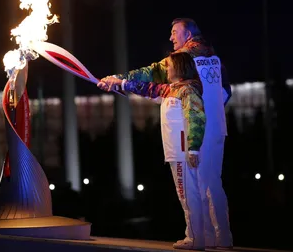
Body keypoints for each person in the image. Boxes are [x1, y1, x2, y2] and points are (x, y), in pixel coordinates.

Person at [99, 18, 232, 249]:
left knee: (191, 186)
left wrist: (120, 79)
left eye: (174, 32)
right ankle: (220, 237)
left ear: (188, 34)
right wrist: (120, 84)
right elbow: (225, 92)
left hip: (190, 133)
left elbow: (151, 75)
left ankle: (197, 237)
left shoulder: (183, 60)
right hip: (215, 128)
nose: (171, 37)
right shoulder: (214, 59)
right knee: (212, 184)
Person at [99, 52, 206, 250]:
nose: (167, 68)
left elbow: (196, 118)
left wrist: (193, 149)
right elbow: (146, 87)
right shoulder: (171, 90)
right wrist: (117, 82)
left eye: (170, 65)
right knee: (185, 195)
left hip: (183, 153)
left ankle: (196, 238)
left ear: (180, 67)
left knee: (188, 194)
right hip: (176, 152)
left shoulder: (188, 90)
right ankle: (194, 236)